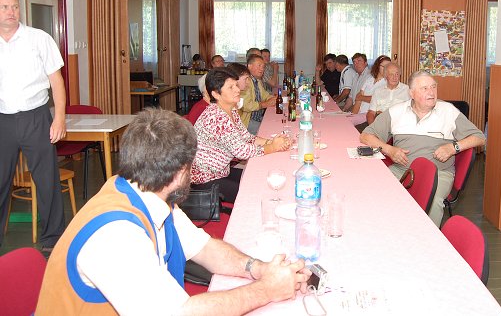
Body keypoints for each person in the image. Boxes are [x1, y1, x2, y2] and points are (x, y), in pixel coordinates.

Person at [36, 108, 308, 315]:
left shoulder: (147, 195)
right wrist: (266, 290)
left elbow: (204, 248)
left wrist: (258, 269)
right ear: (180, 173)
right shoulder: (116, 236)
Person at [360, 71, 485, 226]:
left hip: (438, 173)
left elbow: (480, 137)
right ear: (412, 93)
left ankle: (427, 239)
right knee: (373, 192)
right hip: (402, 170)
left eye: (433, 87)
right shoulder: (396, 111)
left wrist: (453, 147)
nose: (431, 92)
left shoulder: (448, 111)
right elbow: (365, 136)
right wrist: (389, 150)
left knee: (431, 200)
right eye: (424, 88)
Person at [0, 0, 66, 253]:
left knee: (47, 180)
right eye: (5, 7)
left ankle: (53, 238)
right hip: (3, 120)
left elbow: (56, 81)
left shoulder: (39, 39)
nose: (11, 12)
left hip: (36, 117)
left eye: (15, 7)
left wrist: (59, 117)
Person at [191, 68, 289, 203]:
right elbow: (241, 151)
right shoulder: (217, 117)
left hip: (221, 172)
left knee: (260, 178)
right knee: (253, 194)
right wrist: (273, 147)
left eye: (236, 85)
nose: (237, 90)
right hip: (206, 179)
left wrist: (271, 142)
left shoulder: (230, 110)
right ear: (216, 94)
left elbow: (246, 137)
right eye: (231, 87)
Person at [239, 54, 276, 134]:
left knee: (275, 122)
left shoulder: (257, 80)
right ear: (249, 66)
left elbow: (265, 95)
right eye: (259, 65)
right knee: (270, 131)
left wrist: (274, 99)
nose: (262, 69)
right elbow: (246, 106)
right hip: (246, 121)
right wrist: (264, 104)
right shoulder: (245, 82)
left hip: (258, 117)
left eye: (263, 67)